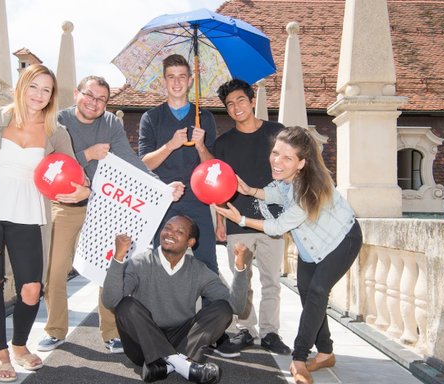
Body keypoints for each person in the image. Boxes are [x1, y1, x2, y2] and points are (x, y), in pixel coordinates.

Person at [0, 64, 90, 382]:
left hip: (29, 214)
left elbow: (78, 175)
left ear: (52, 97)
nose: (39, 95)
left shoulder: (56, 132)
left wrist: (81, 191)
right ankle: (1, 355)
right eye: (33, 87)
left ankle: (20, 346)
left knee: (32, 288)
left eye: (46, 90)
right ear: (21, 87)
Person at [37, 75, 184, 354]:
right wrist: (88, 155)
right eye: (89, 95)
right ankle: (55, 330)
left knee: (107, 271)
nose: (94, 103)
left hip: (103, 205)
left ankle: (111, 332)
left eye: (102, 99)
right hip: (66, 205)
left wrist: (161, 187)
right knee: (55, 270)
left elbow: (129, 160)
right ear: (76, 94)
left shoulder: (111, 123)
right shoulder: (57, 121)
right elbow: (49, 163)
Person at [214, 126, 363, 384]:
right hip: (311, 248)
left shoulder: (309, 191)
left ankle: (299, 358)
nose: (277, 161)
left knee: (317, 292)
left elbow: (278, 227)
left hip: (342, 241)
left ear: (302, 163)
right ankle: (326, 351)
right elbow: (276, 193)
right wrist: (251, 191)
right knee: (308, 296)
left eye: (287, 158)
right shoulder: (287, 180)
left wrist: (242, 219)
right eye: (275, 153)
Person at [102, 215, 249, 383]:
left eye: (179, 231)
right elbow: (111, 301)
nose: (170, 233)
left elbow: (235, 306)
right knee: (125, 305)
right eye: (167, 228)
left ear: (190, 242)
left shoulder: (198, 270)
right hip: (142, 342)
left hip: (181, 339)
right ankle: (183, 365)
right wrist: (118, 257)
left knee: (222, 309)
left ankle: (165, 365)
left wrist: (239, 267)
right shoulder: (140, 263)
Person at [212, 79, 290, 358]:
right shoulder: (223, 144)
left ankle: (270, 332)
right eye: (230, 104)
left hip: (273, 221)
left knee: (272, 280)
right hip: (236, 220)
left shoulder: (277, 133)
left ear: (251, 100)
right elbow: (219, 184)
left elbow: (291, 172)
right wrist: (220, 221)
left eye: (240, 101)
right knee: (241, 280)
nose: (236, 107)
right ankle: (246, 329)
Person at [138, 54, 218, 274]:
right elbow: (145, 163)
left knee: (207, 265)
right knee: (162, 265)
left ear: (191, 80)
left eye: (182, 76)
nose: (176, 82)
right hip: (163, 199)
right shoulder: (151, 118)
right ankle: (162, 309)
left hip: (197, 200)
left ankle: (211, 309)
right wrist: (170, 145)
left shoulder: (205, 117)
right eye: (171, 77)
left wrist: (201, 147)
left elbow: (213, 168)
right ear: (164, 81)